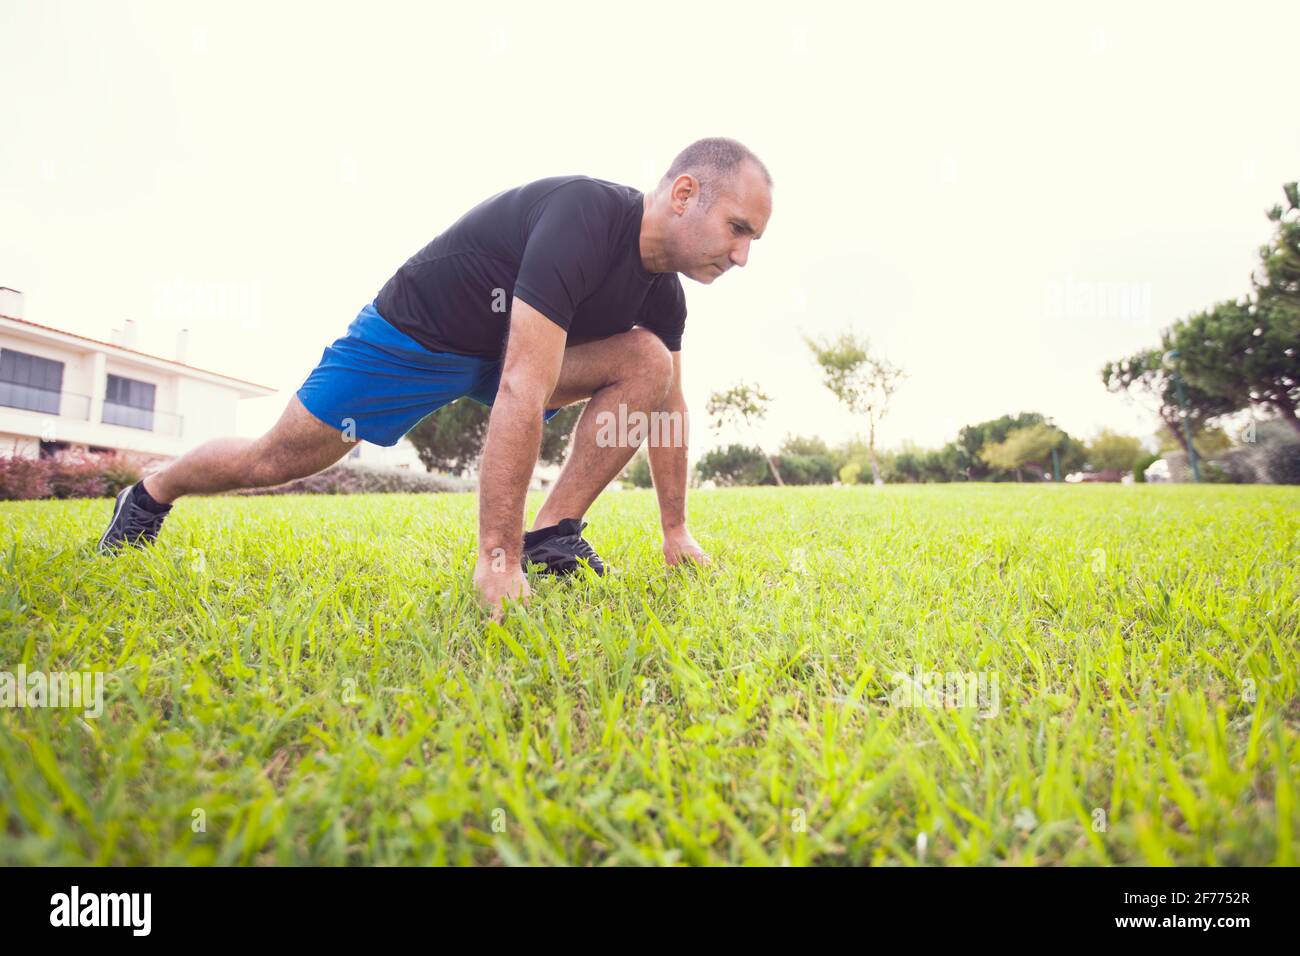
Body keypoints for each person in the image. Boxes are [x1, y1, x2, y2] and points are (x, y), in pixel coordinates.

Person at [98, 137, 773, 619]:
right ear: (684, 194)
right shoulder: (585, 218)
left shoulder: (663, 294)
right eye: (736, 228)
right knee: (272, 458)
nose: (742, 256)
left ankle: (554, 534)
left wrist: (676, 529)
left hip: (511, 354)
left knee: (648, 363)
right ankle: (153, 494)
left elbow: (668, 407)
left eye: (754, 241)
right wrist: (494, 557)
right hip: (413, 336)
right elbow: (520, 387)